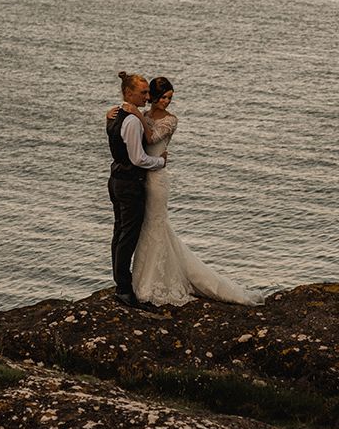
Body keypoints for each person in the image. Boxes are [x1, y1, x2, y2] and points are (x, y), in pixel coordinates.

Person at [109, 76, 264, 307]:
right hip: (141, 177)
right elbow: (133, 139)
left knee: (155, 226)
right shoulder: (139, 115)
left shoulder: (169, 120)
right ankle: (137, 280)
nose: (167, 102)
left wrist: (135, 114)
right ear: (150, 96)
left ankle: (151, 281)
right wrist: (121, 112)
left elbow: (150, 137)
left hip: (156, 180)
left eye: (170, 98)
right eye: (162, 97)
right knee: (140, 229)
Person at [106, 71, 167, 308]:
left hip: (116, 180)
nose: (147, 96)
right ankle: (123, 288)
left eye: (147, 92)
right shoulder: (131, 120)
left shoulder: (114, 115)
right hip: (129, 183)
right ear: (128, 93)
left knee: (119, 232)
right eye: (142, 92)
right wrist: (160, 162)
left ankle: (120, 284)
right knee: (127, 236)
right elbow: (138, 158)